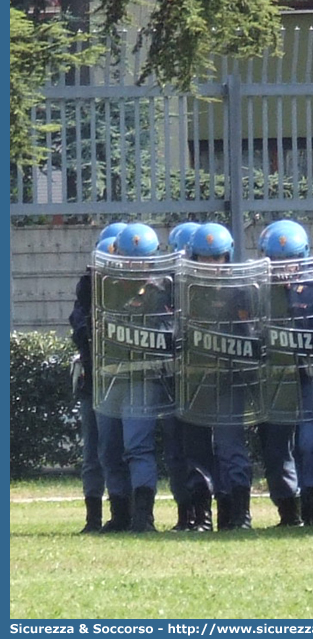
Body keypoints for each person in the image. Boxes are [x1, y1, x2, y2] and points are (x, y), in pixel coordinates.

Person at [259, 219, 313, 527]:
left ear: (303, 256)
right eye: (277, 260)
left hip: (311, 375)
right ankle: (287, 510)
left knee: (309, 442)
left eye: (290, 260)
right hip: (275, 377)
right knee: (275, 446)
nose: (283, 267)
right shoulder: (256, 289)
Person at [94, 222, 169, 532]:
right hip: (108, 377)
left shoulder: (165, 289)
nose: (136, 267)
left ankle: (143, 517)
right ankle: (120, 515)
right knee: (109, 450)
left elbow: (170, 333)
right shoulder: (103, 285)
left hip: (142, 378)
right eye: (129, 260)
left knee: (138, 447)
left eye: (142, 261)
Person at [188, 222, 256, 531]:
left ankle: (238, 514)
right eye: (206, 258)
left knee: (231, 448)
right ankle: (201, 516)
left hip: (229, 380)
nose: (212, 264)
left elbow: (252, 334)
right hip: (195, 382)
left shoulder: (241, 290)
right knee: (197, 451)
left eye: (218, 258)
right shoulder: (184, 290)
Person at [69, 223, 130, 533]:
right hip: (94, 382)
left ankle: (127, 513)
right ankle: (93, 518)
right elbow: (79, 329)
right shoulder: (86, 290)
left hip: (125, 382)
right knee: (94, 452)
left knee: (121, 449)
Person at [159, 221, 216, 531]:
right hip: (172, 379)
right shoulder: (162, 289)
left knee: (197, 451)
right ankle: (185, 515)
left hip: (200, 380)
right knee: (174, 453)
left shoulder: (210, 290)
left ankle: (203, 517)